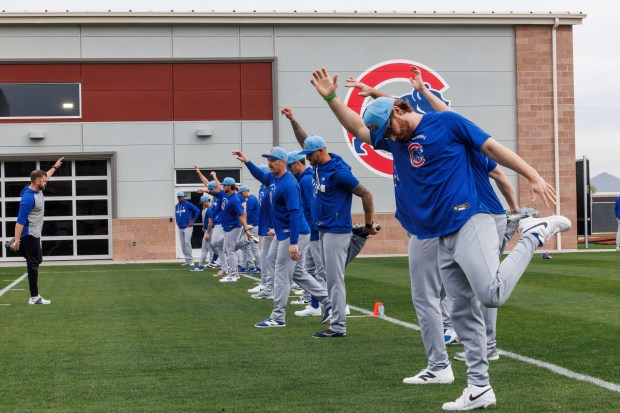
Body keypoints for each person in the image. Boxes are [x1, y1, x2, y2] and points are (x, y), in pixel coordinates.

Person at [311, 67, 570, 409]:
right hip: (433, 231)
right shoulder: (392, 134)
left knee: (490, 293)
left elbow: (492, 148)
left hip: (467, 219)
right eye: (384, 133)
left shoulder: (446, 123)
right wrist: (331, 97)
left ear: (400, 110)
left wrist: (533, 174)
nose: (389, 137)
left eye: (390, 127)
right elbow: (357, 127)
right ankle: (479, 387)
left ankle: (533, 236)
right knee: (462, 311)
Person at [346, 68, 538, 366]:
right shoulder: (432, 133)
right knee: (464, 288)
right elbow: (412, 119)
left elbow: (496, 169)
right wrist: (383, 94)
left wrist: (514, 210)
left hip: (484, 215)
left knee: (486, 288)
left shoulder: (458, 137)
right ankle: (472, 360)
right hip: (456, 220)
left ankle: (488, 343)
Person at [233, 147, 332, 328]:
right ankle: (330, 303)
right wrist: (247, 162)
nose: (269, 163)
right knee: (295, 272)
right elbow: (260, 176)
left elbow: (295, 214)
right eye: (268, 159)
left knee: (281, 273)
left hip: (294, 233)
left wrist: (293, 243)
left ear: (283, 162)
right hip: (283, 232)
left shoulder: (289, 184)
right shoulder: (273, 178)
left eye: (273, 160)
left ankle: (278, 317)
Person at [297, 135, 378, 338]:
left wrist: (368, 224)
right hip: (324, 230)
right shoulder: (317, 164)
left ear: (322, 151)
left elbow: (367, 194)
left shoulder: (339, 173)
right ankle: (358, 237)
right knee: (331, 273)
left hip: (336, 230)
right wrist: (292, 119)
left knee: (334, 279)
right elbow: (305, 140)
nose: (307, 159)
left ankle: (338, 326)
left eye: (310, 155)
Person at [10, 157, 64, 304]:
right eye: (44, 181)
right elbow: (20, 221)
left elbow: (46, 175)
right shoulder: (28, 198)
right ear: (37, 181)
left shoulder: (38, 185)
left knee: (36, 259)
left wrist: (55, 166)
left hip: (35, 232)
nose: (46, 182)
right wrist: (17, 239)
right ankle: (34, 297)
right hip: (29, 234)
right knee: (33, 263)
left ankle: (12, 245)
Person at [210, 174, 255, 283]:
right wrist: (205, 189)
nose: (223, 186)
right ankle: (245, 241)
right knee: (228, 249)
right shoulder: (226, 195)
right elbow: (217, 191)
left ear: (229, 186)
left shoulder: (235, 199)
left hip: (233, 228)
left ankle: (233, 275)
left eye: (225, 185)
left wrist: (246, 230)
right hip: (228, 227)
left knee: (230, 251)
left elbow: (241, 216)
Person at [248, 165, 276, 299]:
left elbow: (273, 209)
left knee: (269, 258)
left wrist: (271, 226)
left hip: (271, 228)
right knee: (266, 256)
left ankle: (267, 284)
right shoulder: (262, 188)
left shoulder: (271, 188)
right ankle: (265, 283)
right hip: (265, 227)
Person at [174, 191, 200, 267]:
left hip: (188, 226)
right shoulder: (177, 206)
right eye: (178, 197)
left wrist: (193, 220)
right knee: (182, 244)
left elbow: (197, 210)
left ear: (183, 197)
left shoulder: (187, 204)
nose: (179, 198)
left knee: (187, 242)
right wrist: (177, 220)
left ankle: (191, 260)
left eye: (181, 197)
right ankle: (187, 260)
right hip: (180, 227)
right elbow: (176, 214)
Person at [239, 185, 260, 272]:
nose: (241, 195)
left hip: (253, 225)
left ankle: (260, 267)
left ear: (245, 192)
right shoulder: (252, 198)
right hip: (252, 225)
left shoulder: (251, 199)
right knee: (245, 246)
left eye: (241, 193)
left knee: (254, 247)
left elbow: (249, 213)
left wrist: (246, 225)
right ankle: (244, 266)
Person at [190, 195, 214, 271]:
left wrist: (207, 232)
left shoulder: (209, 210)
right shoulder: (210, 209)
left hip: (209, 231)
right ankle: (212, 263)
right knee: (211, 248)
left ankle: (201, 266)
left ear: (207, 201)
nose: (202, 204)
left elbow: (210, 222)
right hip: (210, 230)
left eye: (203, 202)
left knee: (205, 249)